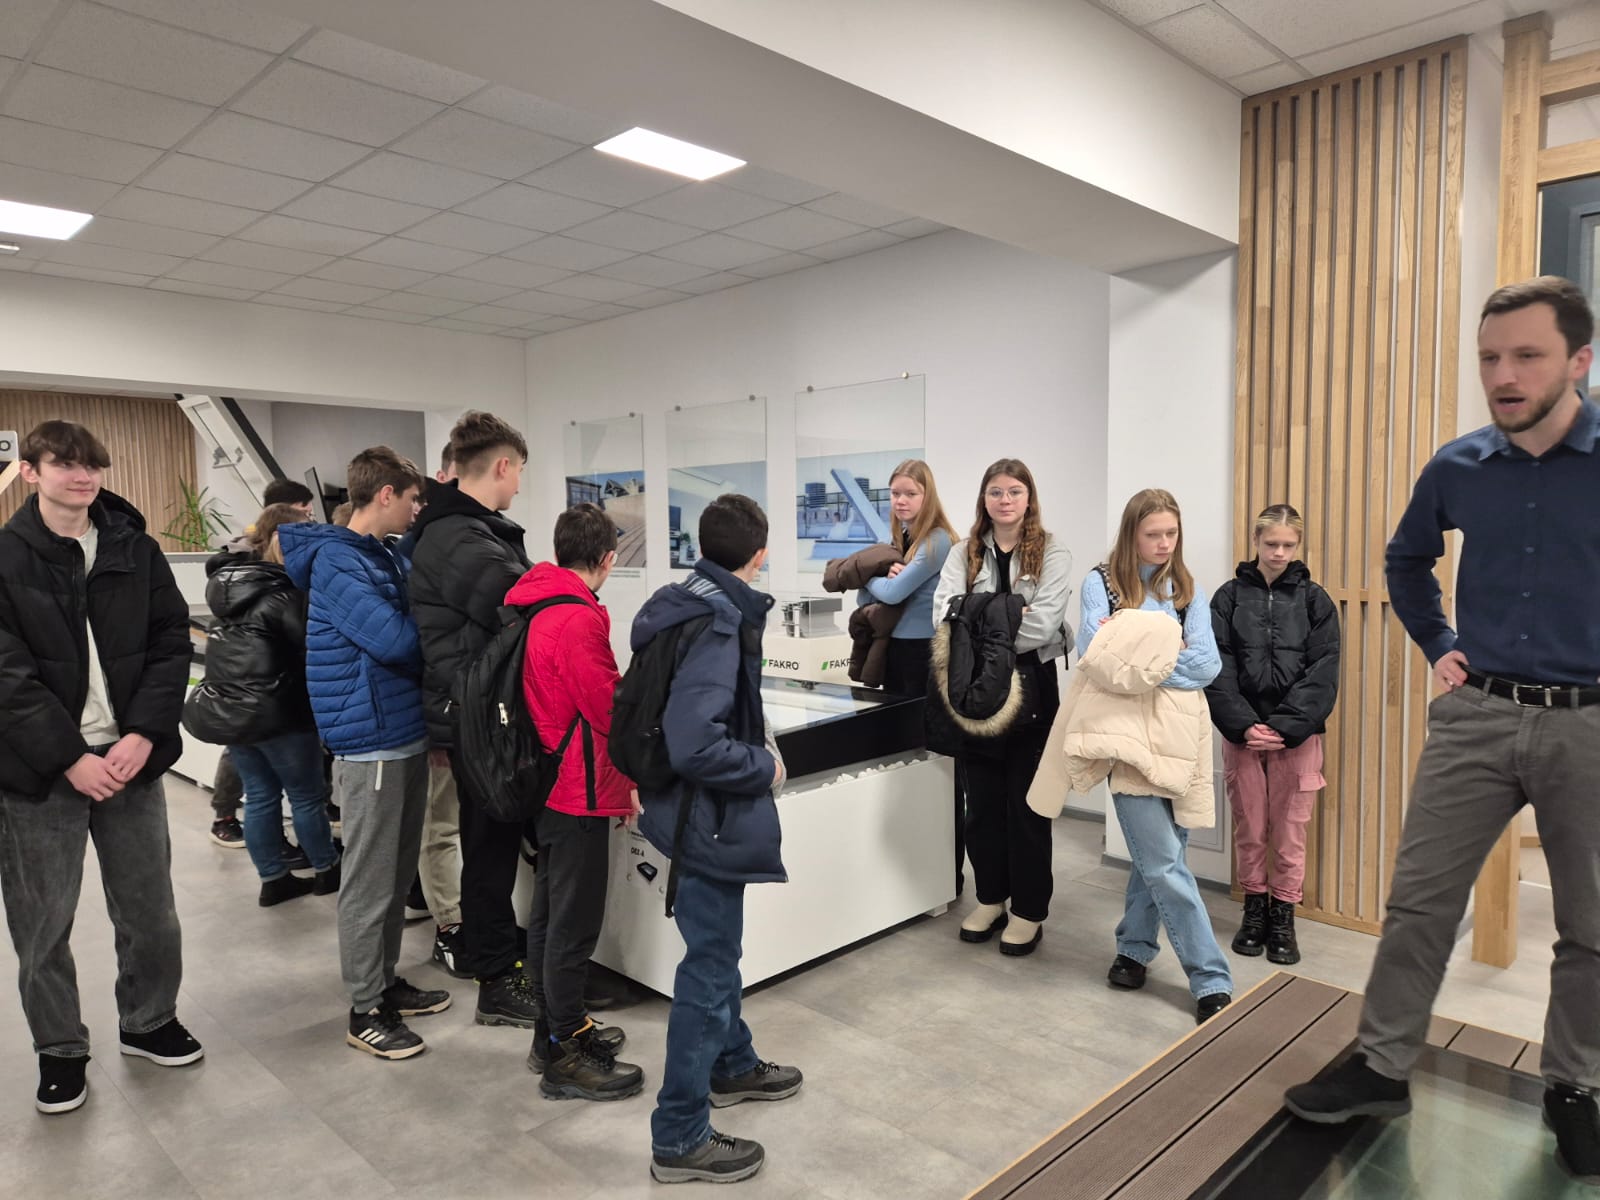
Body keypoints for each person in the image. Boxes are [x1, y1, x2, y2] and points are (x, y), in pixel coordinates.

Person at [1284, 277, 1600, 1186]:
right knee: (1420, 903)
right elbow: (1405, 560)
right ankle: (1382, 1068)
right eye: (1490, 357)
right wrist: (1438, 642)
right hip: (1477, 715)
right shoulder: (1458, 466)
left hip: (1589, 726)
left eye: (1527, 356)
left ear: (1579, 361)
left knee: (1590, 925)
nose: (1503, 375)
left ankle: (1575, 1086)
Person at [0, 420, 202, 1115]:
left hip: (129, 761)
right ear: (31, 471)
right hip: (39, 774)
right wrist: (68, 757)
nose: (82, 476)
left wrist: (145, 734)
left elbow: (170, 642)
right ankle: (59, 1049)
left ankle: (149, 1020)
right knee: (43, 924)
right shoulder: (5, 556)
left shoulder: (135, 549)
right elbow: (7, 675)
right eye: (64, 463)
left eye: (91, 464)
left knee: (150, 910)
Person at [633, 495, 803, 1184]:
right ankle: (679, 1136)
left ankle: (732, 1063)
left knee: (715, 949)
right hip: (704, 815)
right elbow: (695, 743)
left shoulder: (680, 601)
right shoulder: (719, 623)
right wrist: (765, 768)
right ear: (759, 554)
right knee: (708, 967)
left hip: (680, 810)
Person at [280, 446, 449, 1060]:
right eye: (413, 498)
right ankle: (364, 1008)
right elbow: (396, 640)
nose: (417, 508)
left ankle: (384, 981)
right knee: (370, 881)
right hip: (370, 741)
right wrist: (441, 626)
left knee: (396, 875)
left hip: (401, 734)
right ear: (385, 494)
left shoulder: (379, 554)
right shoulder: (337, 561)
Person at [1078, 488, 1232, 1023]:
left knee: (1159, 859)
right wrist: (1168, 652)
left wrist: (1134, 655)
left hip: (1182, 738)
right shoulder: (1100, 584)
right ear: (1131, 534)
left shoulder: (1188, 589)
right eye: (1153, 534)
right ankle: (1210, 977)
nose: (1164, 543)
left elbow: (1206, 666)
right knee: (1164, 861)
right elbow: (1094, 658)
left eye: (1171, 533)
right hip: (1126, 741)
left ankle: (1133, 950)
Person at [407, 413, 538, 1025]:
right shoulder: (460, 536)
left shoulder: (467, 530)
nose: (519, 486)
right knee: (489, 849)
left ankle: (504, 953)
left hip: (486, 711)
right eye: (519, 472)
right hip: (481, 717)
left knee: (498, 845)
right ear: (503, 466)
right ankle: (497, 978)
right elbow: (518, 603)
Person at [509, 503, 642, 1100]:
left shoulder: (541, 604)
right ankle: (565, 1051)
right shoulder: (578, 619)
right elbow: (607, 709)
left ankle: (553, 1032)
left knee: (547, 917)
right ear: (608, 559)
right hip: (578, 790)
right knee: (572, 925)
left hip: (552, 783)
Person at [932, 458, 1072, 956]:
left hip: (1032, 688)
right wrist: (1010, 614)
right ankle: (990, 898)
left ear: (1029, 498)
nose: (1005, 500)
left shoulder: (1053, 551)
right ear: (984, 499)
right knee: (983, 805)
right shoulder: (963, 552)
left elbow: (1045, 624)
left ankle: (1028, 911)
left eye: (1014, 491)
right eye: (996, 491)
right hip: (974, 690)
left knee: (1027, 806)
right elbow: (943, 615)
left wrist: (976, 619)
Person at [1206, 504, 1340, 965]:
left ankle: (1283, 917)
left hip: (1296, 739)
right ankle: (1254, 911)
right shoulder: (1227, 598)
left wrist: (1283, 727)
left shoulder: (1315, 601)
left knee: (1289, 832)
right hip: (1242, 734)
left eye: (1288, 545)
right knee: (1249, 827)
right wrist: (1244, 724)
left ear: (1298, 545)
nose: (1279, 552)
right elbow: (1216, 666)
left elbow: (1324, 670)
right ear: (1256, 541)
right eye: (1271, 544)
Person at [198, 503, 340, 906]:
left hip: (236, 713)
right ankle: (327, 869)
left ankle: (273, 879)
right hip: (280, 713)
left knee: (261, 797)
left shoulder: (228, 588)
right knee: (306, 797)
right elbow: (312, 648)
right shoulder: (283, 593)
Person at [398, 443, 469, 974]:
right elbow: (425, 645)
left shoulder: (446, 543)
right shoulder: (417, 551)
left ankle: (445, 909)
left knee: (450, 825)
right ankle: (450, 926)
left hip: (461, 709)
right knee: (441, 825)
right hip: (438, 711)